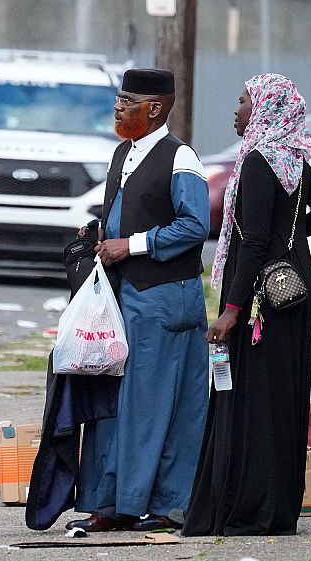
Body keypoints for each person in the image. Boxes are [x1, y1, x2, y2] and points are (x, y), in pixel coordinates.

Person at [184, 74, 311, 536]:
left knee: (252, 398)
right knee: (283, 396)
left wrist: (231, 309)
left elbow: (253, 242)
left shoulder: (259, 161)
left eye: (243, 101)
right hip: (294, 287)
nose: (236, 110)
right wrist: (291, 243)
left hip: (260, 300)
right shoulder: (291, 160)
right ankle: (278, 508)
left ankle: (249, 506)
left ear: (266, 109)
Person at [70, 68, 211, 533]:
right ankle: (110, 502)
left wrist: (130, 244)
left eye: (126, 100)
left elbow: (195, 227)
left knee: (157, 407)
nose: (117, 107)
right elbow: (127, 211)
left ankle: (161, 504)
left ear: (154, 108)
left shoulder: (181, 158)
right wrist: (100, 231)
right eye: (118, 98)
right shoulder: (122, 152)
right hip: (124, 297)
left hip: (164, 300)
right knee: (113, 402)